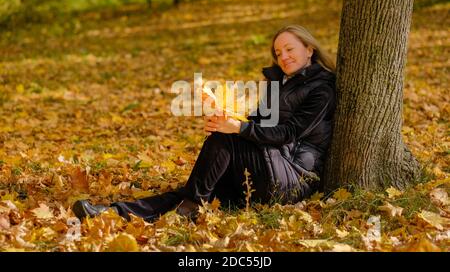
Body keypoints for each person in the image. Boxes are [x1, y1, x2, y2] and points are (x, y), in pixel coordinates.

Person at [72, 25, 337, 222]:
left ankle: (191, 207)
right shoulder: (279, 85)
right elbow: (257, 123)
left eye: (290, 49)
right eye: (278, 53)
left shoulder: (321, 89)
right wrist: (226, 119)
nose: (284, 57)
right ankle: (110, 213)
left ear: (310, 49)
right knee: (193, 191)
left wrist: (236, 129)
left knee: (221, 146)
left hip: (293, 180)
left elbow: (289, 133)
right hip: (265, 168)